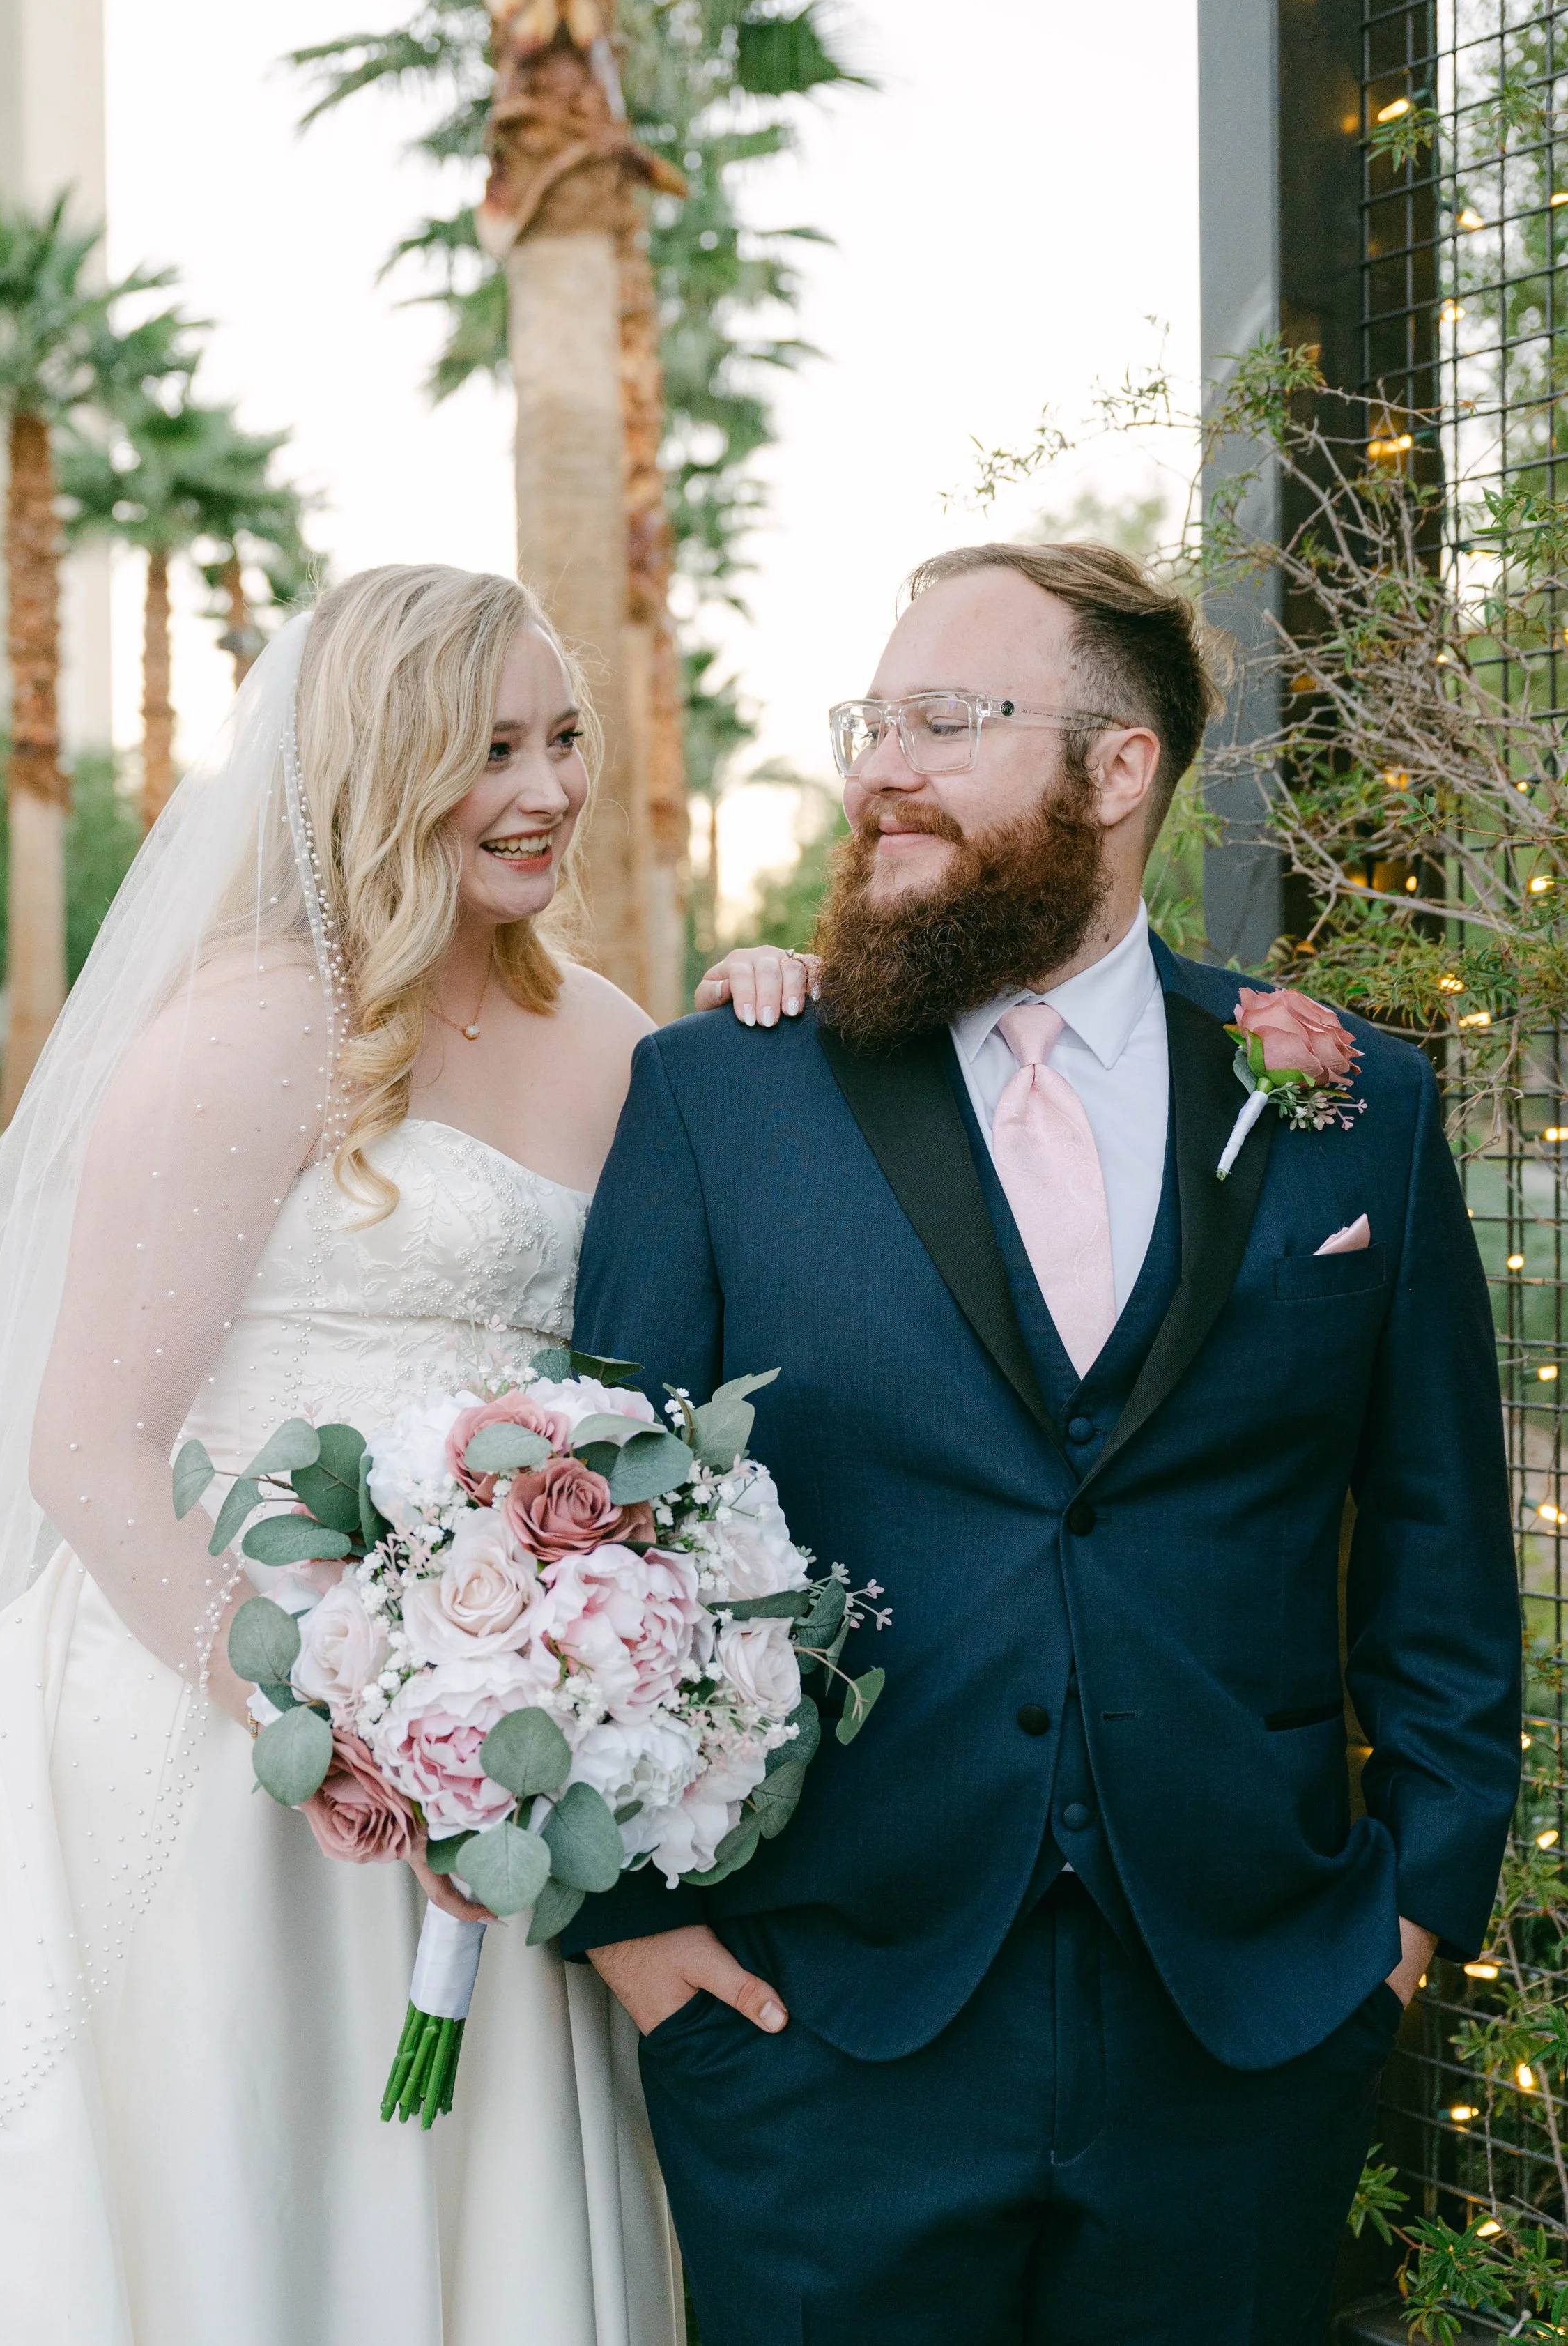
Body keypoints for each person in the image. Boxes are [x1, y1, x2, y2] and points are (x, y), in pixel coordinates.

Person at [571, 540, 1523, 2346]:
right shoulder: (722, 1095)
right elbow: (590, 1527)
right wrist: (633, 1937)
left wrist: (1401, 1922)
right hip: (818, 2028)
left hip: (1243, 2021)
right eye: (873, 722)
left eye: (945, 720)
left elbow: (1437, 1556)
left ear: (1113, 771)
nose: (874, 770)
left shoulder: (1348, 1107)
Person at [0, 563, 768, 2346]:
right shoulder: (256, 1025)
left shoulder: (620, 1039)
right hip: (214, 1748)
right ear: (380, 761)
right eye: (490, 746)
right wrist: (323, 1733)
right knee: (242, 2211)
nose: (548, 788)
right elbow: (86, 1444)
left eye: (565, 739)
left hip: (505, 1741)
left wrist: (777, 1000)